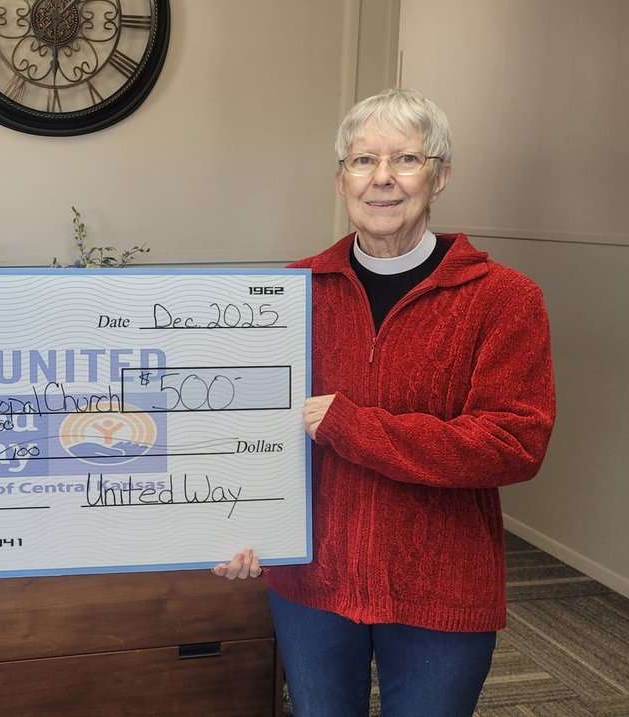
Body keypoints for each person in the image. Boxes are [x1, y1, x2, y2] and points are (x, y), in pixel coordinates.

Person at [213, 88, 555, 716]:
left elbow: (513, 444)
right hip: (312, 580)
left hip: (440, 584)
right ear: (341, 179)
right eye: (363, 160)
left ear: (440, 175)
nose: (383, 179)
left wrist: (353, 427)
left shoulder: (504, 299)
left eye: (406, 159)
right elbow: (241, 427)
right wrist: (235, 525)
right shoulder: (289, 294)